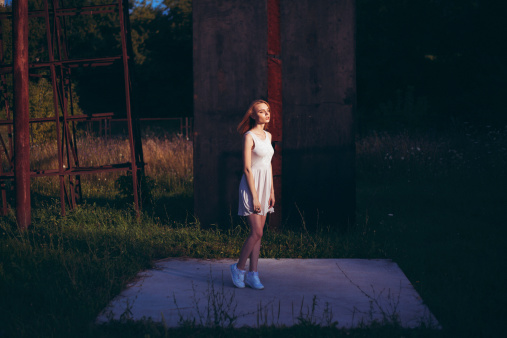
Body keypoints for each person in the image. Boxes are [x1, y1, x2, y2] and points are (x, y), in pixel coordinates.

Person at [230, 100, 275, 290]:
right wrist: (255, 197)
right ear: (253, 115)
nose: (267, 114)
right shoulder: (249, 136)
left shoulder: (268, 135)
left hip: (265, 186)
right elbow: (247, 168)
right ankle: (239, 268)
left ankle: (253, 275)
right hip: (251, 186)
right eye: (262, 111)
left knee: (258, 235)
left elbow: (268, 164)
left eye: (268, 111)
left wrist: (271, 190)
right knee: (257, 232)